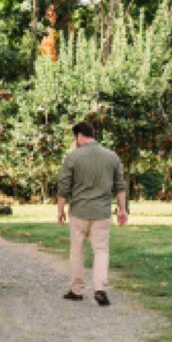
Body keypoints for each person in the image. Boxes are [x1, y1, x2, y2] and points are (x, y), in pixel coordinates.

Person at [56, 121, 127, 306]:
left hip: (79, 211)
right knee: (101, 250)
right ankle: (100, 289)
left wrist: (60, 209)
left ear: (79, 136)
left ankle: (77, 290)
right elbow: (120, 186)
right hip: (102, 212)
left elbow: (64, 187)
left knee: (77, 251)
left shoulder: (73, 157)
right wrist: (123, 209)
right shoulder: (112, 156)